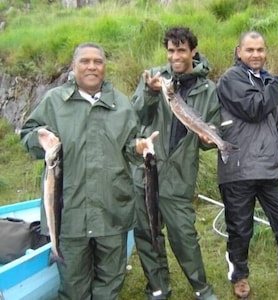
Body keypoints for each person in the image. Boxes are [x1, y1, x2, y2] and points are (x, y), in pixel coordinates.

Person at [20, 42, 156, 300]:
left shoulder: (122, 104)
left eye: (98, 61)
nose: (92, 66)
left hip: (112, 211)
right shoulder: (54, 101)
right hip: (68, 215)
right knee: (73, 287)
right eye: (85, 61)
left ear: (104, 67)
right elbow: (28, 134)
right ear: (74, 66)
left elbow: (129, 145)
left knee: (110, 282)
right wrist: (39, 137)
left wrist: (139, 147)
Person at [216, 31, 278, 298]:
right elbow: (253, 108)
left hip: (272, 169)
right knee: (239, 228)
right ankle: (239, 275)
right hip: (237, 169)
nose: (256, 54)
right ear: (238, 52)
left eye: (260, 49)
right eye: (250, 50)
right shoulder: (230, 80)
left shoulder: (271, 83)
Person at [131, 26, 219, 300]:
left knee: (184, 236)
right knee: (147, 234)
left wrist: (209, 140)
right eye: (171, 50)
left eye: (181, 50)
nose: (175, 56)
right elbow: (134, 116)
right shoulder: (153, 78)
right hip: (147, 171)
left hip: (180, 176)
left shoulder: (208, 89)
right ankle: (158, 288)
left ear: (193, 51)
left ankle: (201, 288)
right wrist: (149, 91)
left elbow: (210, 132)